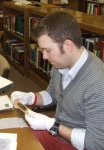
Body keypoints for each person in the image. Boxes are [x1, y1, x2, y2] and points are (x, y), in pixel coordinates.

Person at [11, 11, 104, 150]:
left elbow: (96, 144)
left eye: (47, 50)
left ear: (68, 45)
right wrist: (30, 98)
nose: (44, 57)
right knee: (18, 141)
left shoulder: (97, 83)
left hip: (77, 144)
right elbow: (53, 95)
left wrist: (51, 125)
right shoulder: (61, 63)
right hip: (56, 130)